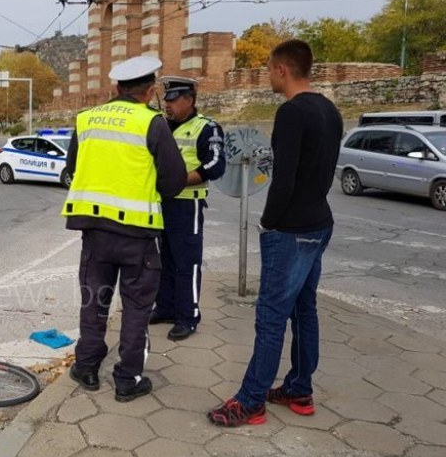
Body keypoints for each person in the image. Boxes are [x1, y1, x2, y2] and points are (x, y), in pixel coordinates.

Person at [208, 39, 343, 427]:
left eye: (268, 68)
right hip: (320, 223)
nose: (268, 75)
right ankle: (300, 389)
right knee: (304, 310)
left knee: (270, 316)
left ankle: (250, 401)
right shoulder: (330, 111)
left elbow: (283, 179)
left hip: (292, 230)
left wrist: (269, 223)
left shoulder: (292, 113)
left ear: (283, 70)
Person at [62, 56, 187, 403]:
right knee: (136, 309)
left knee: (94, 302)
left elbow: (73, 168)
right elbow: (174, 181)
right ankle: (127, 380)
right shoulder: (152, 123)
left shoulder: (86, 120)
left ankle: (86, 368)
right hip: (138, 236)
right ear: (150, 91)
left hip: (95, 232)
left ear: (116, 88)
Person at [150, 77, 226, 340]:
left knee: (186, 262)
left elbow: (215, 166)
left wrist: (178, 180)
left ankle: (188, 316)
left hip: (186, 204)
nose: (167, 105)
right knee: (163, 260)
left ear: (189, 100)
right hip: (160, 203)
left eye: (173, 100)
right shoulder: (161, 125)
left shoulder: (206, 128)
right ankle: (166, 308)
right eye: (166, 100)